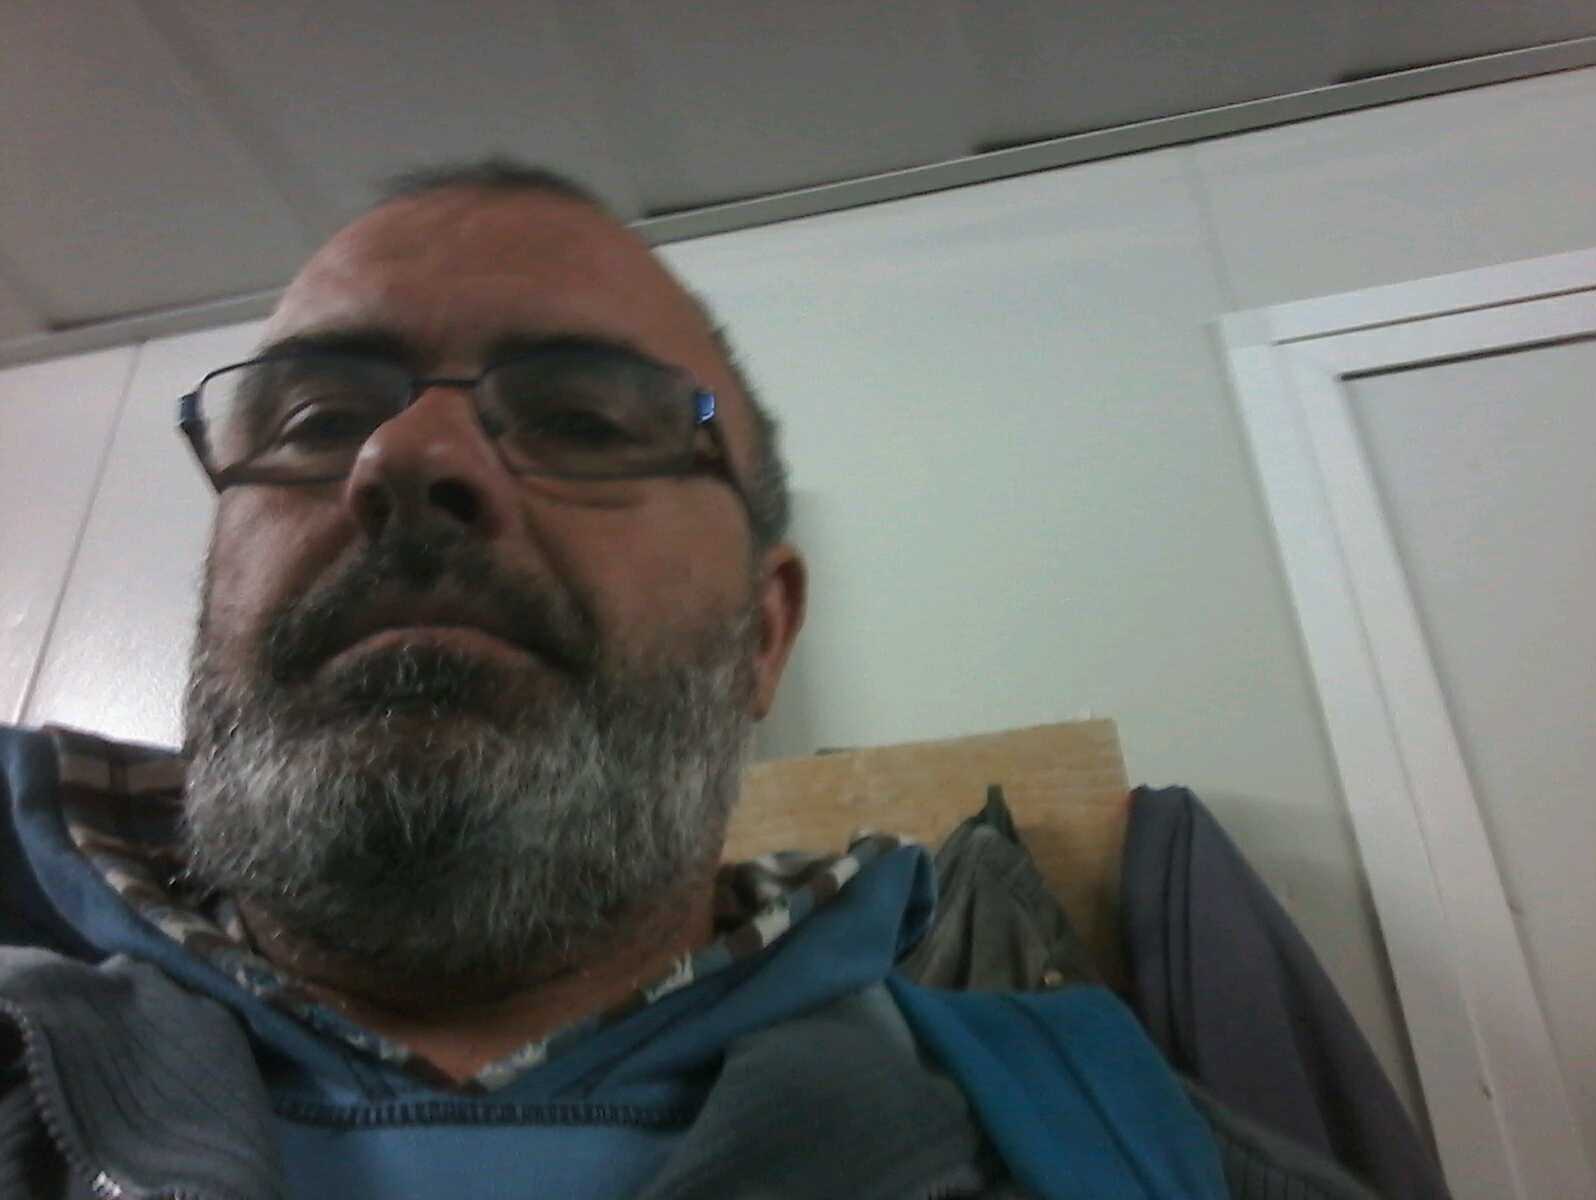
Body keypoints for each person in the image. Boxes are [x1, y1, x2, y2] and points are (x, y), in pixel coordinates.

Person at [0, 160, 1384, 1199]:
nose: (405, 458)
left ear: (762, 637)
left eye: (585, 419)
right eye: (314, 417)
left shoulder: (1153, 1159)